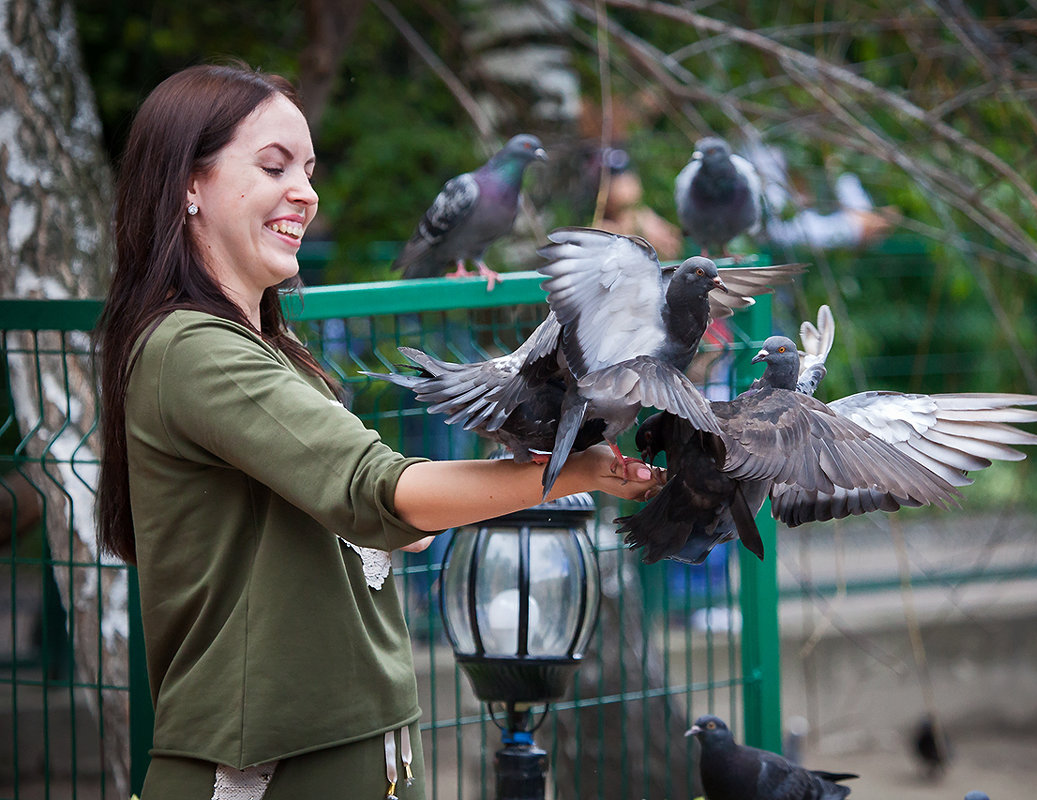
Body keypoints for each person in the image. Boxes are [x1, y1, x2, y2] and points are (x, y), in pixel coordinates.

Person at [94, 62, 662, 800]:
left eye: (307, 168)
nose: (306, 191)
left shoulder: (273, 351)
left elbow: (395, 517)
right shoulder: (194, 350)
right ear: (187, 187)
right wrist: (576, 470)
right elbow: (382, 495)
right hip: (265, 767)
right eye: (273, 166)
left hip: (362, 746)